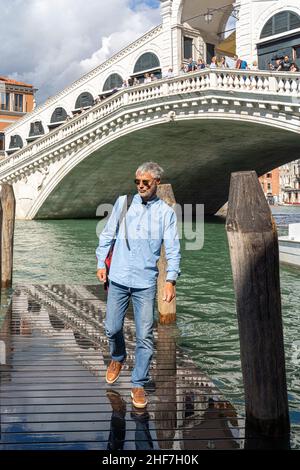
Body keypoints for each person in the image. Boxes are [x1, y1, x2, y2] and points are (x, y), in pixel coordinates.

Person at [96, 162, 181, 409]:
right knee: (112, 328)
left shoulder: (166, 213)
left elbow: (173, 249)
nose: (141, 186)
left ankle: (138, 383)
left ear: (156, 183)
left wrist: (170, 280)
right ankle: (118, 357)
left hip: (145, 282)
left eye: (146, 182)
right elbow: (107, 235)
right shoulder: (123, 203)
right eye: (138, 182)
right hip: (118, 278)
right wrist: (101, 263)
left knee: (145, 336)